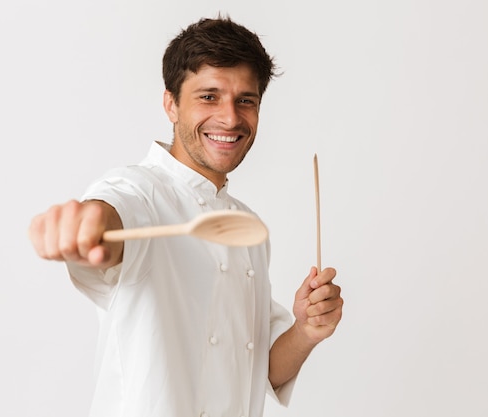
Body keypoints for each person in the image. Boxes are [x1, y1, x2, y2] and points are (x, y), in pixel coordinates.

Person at [28, 15, 343, 417]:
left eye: (245, 99)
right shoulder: (139, 191)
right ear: (171, 104)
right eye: (208, 96)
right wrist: (86, 225)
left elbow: (259, 368)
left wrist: (305, 331)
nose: (230, 118)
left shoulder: (248, 227)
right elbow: (111, 215)